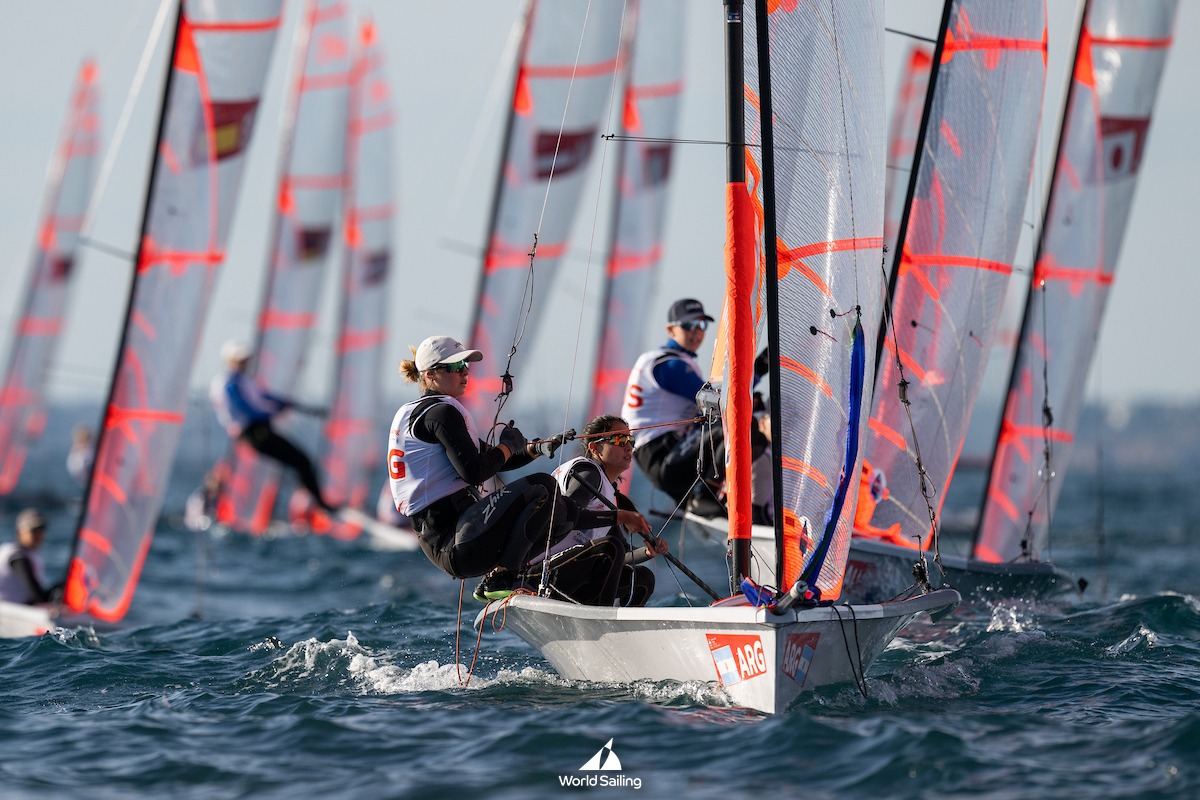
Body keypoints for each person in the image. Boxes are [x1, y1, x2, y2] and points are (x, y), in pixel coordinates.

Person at [389, 335, 642, 601]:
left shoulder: (420, 412)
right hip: (454, 538)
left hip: (454, 537)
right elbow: (474, 472)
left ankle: (510, 576)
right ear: (430, 375)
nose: (464, 372)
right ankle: (504, 576)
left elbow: (494, 458)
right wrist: (507, 445)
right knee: (543, 486)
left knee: (562, 511)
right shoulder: (441, 413)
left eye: (465, 365)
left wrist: (535, 449)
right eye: (454, 367)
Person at [523, 415, 665, 607]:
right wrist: (620, 516)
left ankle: (615, 625)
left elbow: (621, 556)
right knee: (609, 547)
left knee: (642, 578)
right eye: (619, 439)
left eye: (630, 440)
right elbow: (565, 517)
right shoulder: (588, 474)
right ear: (595, 448)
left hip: (567, 574)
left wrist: (647, 552)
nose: (628, 447)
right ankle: (604, 616)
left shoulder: (607, 494)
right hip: (537, 575)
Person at [620, 298, 725, 515]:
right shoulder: (670, 365)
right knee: (727, 427)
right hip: (662, 457)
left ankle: (702, 498)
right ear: (671, 330)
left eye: (702, 325)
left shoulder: (664, 360)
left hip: (665, 455)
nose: (696, 332)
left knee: (719, 424)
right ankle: (705, 497)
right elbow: (718, 401)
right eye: (688, 325)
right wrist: (758, 371)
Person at [209, 340, 338, 514]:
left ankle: (313, 502)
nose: (245, 362)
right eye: (240, 359)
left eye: (246, 359)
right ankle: (320, 505)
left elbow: (265, 397)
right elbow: (243, 408)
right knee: (301, 461)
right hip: (253, 432)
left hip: (259, 429)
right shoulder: (229, 382)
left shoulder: (243, 380)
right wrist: (271, 413)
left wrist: (289, 405)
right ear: (230, 360)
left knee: (299, 462)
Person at [0, 509, 53, 605]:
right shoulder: (16, 557)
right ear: (19, 532)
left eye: (41, 531)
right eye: (33, 531)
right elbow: (38, 596)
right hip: (8, 609)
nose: (38, 535)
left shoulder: (27, 555)